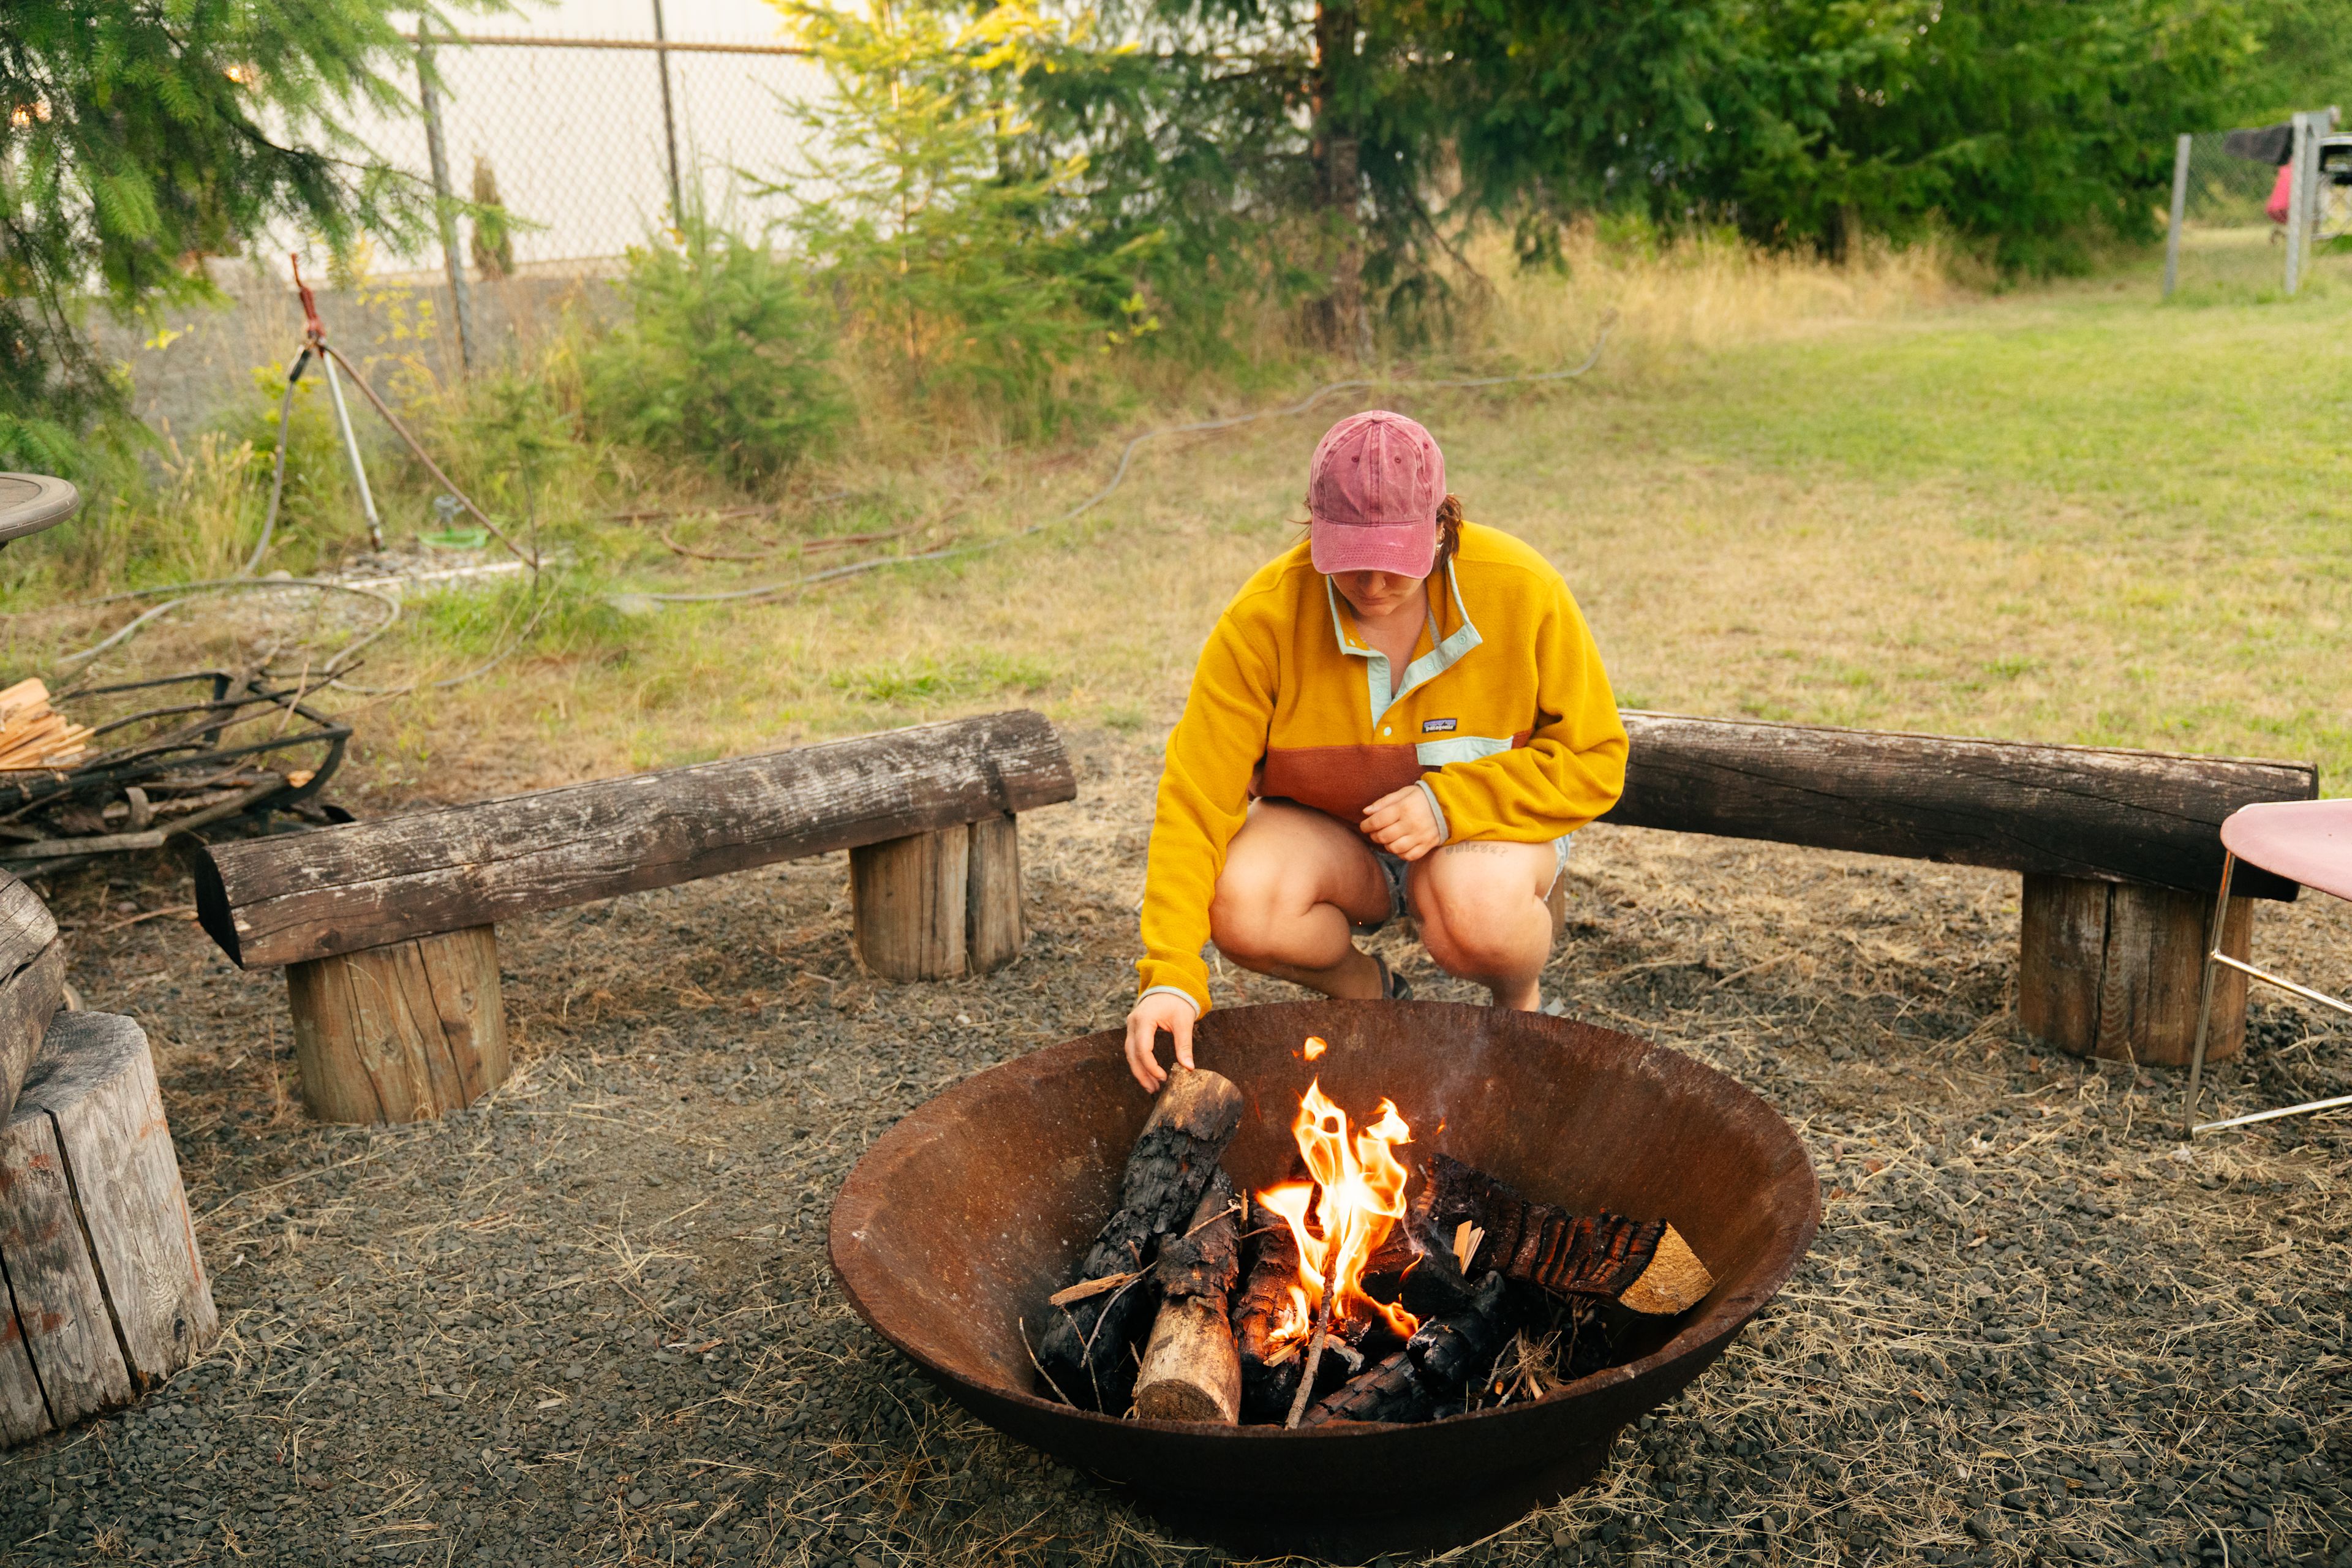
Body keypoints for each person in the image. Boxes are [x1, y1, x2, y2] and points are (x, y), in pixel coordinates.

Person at [1122, 410, 1628, 1090]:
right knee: (1241, 899)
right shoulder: (1262, 619)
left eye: (1396, 562)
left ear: (1444, 524)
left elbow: (1596, 758)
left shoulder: (1523, 588)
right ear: (1314, 527)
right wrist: (1171, 974)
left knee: (1475, 907)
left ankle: (1520, 1008)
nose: (1372, 585)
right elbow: (1195, 799)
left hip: (1483, 842)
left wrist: (1448, 804)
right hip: (1341, 844)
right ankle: (1370, 994)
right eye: (1349, 562)